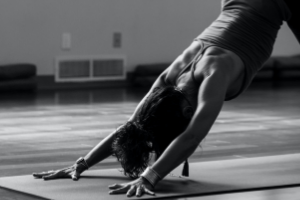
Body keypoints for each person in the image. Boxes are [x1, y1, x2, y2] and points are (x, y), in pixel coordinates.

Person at [33, 0, 299, 197]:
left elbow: (192, 136)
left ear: (185, 113)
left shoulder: (214, 74)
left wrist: (149, 178)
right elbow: (132, 126)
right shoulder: (167, 82)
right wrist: (81, 163)